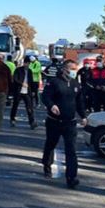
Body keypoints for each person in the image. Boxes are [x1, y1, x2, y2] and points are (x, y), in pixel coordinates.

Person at [41, 59, 87, 188]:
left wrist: (83, 116)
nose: (73, 72)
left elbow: (79, 102)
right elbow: (45, 96)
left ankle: (71, 178)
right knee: (51, 144)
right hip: (54, 121)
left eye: (75, 69)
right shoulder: (54, 82)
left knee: (71, 150)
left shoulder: (76, 84)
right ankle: (46, 165)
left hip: (70, 123)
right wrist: (51, 106)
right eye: (71, 69)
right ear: (64, 69)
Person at [10, 57, 38, 129]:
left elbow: (31, 82)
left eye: (29, 64)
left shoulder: (30, 71)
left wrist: (34, 91)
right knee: (15, 106)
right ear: (24, 63)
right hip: (19, 91)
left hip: (27, 92)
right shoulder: (18, 70)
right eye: (27, 63)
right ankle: (12, 119)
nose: (28, 65)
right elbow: (15, 79)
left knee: (29, 107)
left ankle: (32, 122)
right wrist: (22, 83)